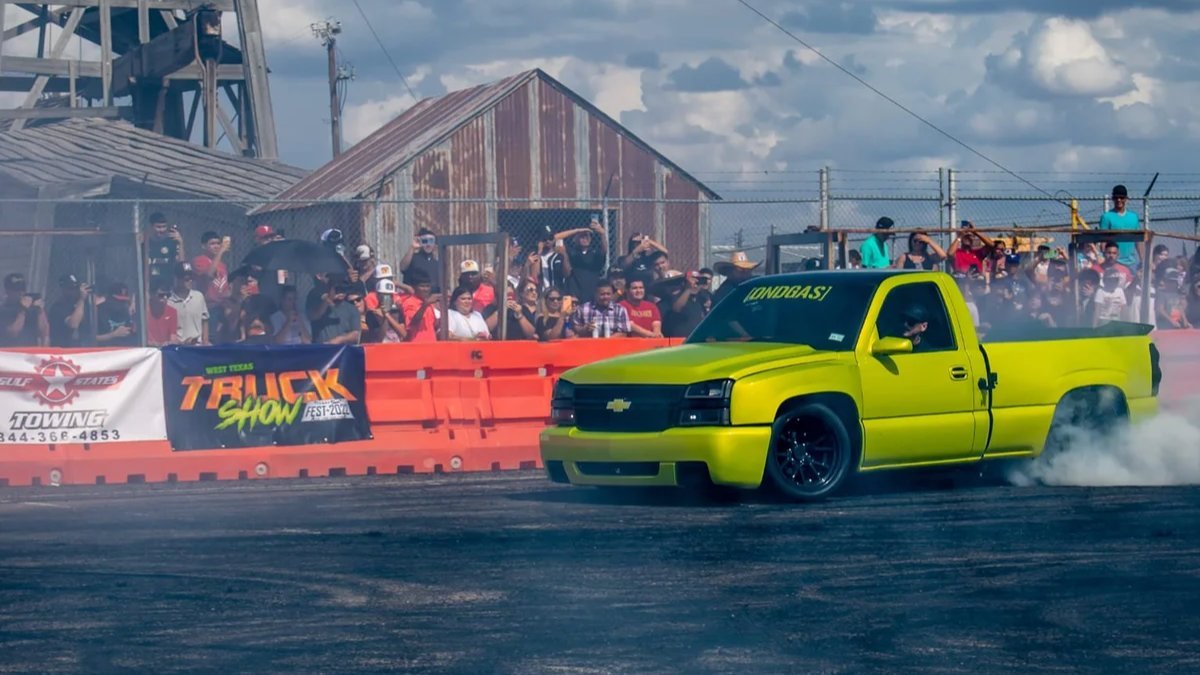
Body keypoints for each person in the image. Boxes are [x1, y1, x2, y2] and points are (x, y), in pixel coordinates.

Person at [1098, 184, 1142, 273]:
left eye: (1121, 197)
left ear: (1126, 199)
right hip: (1113, 263)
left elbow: (1139, 241)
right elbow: (1103, 242)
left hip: (1132, 263)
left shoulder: (1133, 217)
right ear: (1112, 199)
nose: (1119, 200)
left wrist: (1143, 260)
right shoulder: (1106, 217)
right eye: (1116, 197)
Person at [0, 272, 48, 347]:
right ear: (7, 291)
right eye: (16, 289)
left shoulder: (31, 309)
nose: (21, 293)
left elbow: (43, 333)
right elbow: (12, 333)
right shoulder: (3, 310)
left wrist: (40, 311)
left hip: (29, 351)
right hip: (10, 352)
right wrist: (22, 310)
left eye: (22, 289)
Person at [47, 274, 94, 348]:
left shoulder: (85, 305)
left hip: (82, 348)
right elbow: (73, 324)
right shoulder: (58, 307)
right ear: (63, 289)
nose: (75, 291)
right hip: (63, 349)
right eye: (71, 288)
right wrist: (81, 300)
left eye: (76, 288)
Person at [168, 262, 209, 345]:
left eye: (192, 278)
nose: (190, 281)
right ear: (177, 279)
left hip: (198, 346)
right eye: (187, 279)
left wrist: (205, 341)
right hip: (177, 347)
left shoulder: (199, 297)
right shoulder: (168, 301)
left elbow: (205, 320)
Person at [145, 212, 185, 282]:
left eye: (164, 226)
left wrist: (180, 243)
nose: (162, 230)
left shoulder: (171, 242)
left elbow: (181, 264)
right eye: (158, 227)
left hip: (168, 283)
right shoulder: (146, 243)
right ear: (151, 227)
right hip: (150, 282)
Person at [145, 280, 179, 347]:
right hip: (147, 350)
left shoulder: (172, 311)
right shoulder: (144, 312)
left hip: (165, 350)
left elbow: (173, 337)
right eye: (161, 295)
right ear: (152, 294)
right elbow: (140, 340)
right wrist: (157, 344)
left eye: (168, 295)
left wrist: (170, 343)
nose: (165, 298)